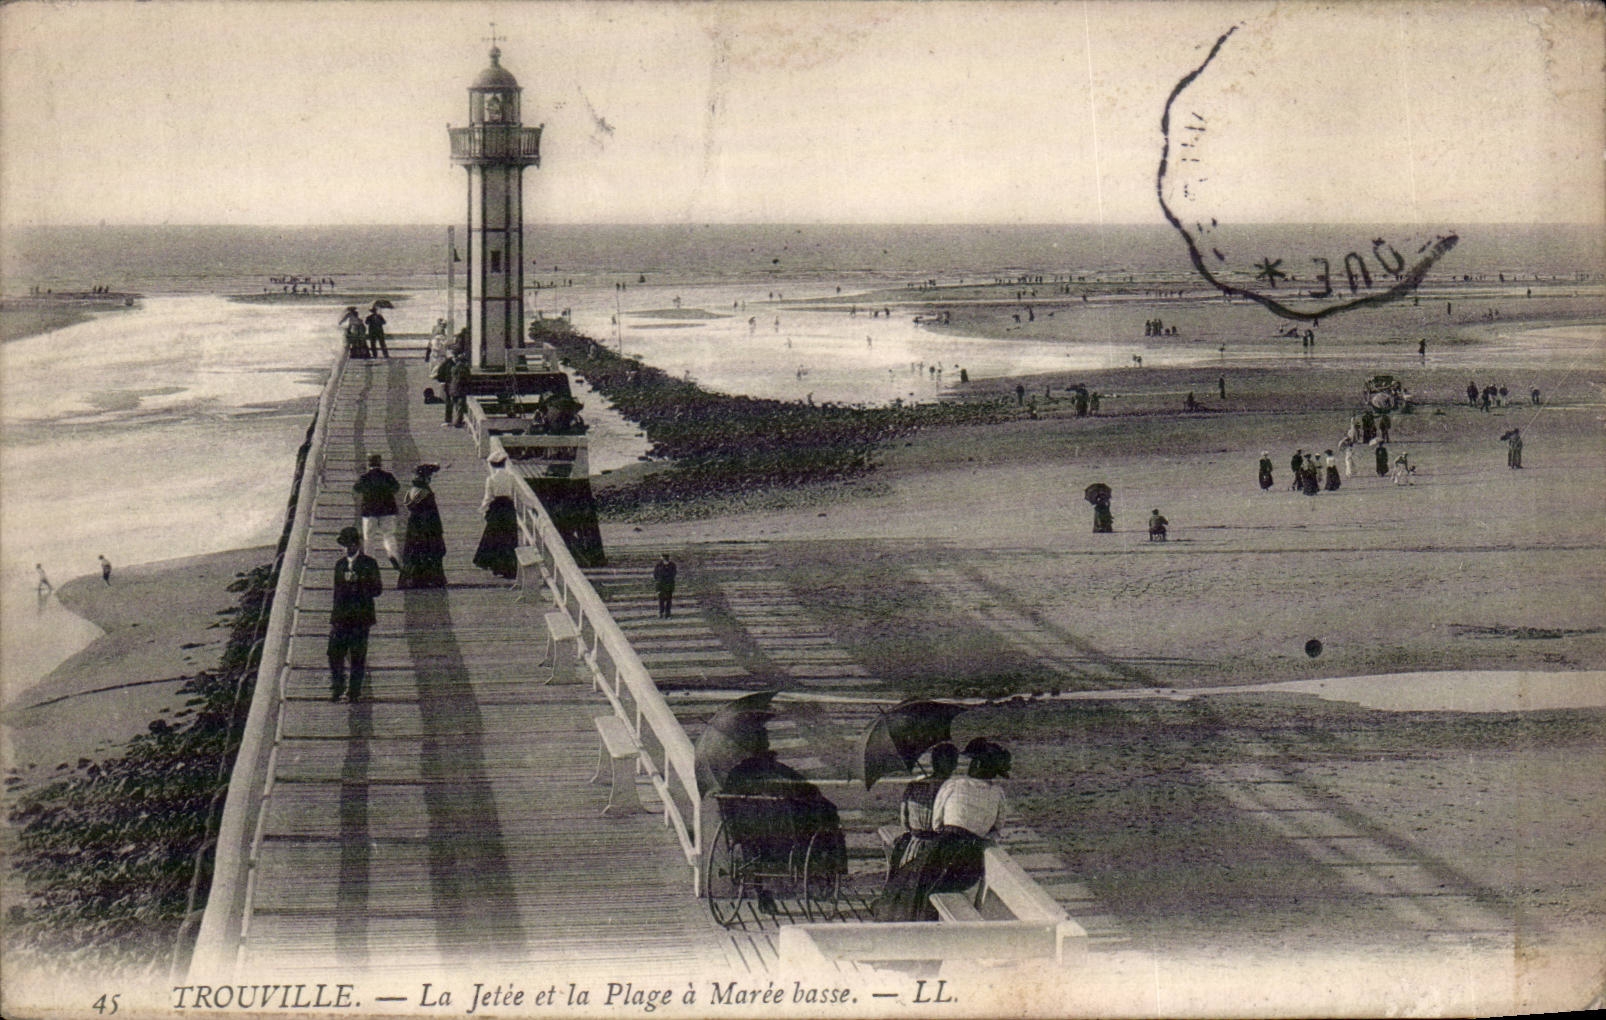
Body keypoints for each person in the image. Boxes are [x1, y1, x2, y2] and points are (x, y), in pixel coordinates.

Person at [873, 739, 1010, 922]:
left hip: (945, 845)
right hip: (971, 854)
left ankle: (905, 917)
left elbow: (938, 822)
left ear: (976, 765)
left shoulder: (954, 784)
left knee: (915, 882)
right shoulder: (998, 793)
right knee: (942, 885)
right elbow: (997, 828)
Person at [328, 526, 382, 703]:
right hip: (342, 617)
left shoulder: (369, 563)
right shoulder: (339, 565)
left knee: (358, 656)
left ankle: (353, 692)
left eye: (347, 545)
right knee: (334, 653)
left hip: (361, 618)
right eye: (342, 545)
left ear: (356, 545)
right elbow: (336, 593)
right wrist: (334, 618)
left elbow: (377, 590)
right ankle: (337, 687)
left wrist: (359, 580)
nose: (344, 549)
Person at [398, 464, 447, 588]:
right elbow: (432, 513)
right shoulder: (426, 493)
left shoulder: (411, 491)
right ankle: (431, 579)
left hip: (414, 525)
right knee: (430, 551)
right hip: (427, 526)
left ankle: (413, 578)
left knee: (413, 551)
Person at [473, 452, 520, 580]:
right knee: (509, 537)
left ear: (493, 465)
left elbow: (488, 498)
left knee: (496, 536)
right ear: (504, 463)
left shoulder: (491, 479)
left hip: (497, 508)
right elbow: (519, 494)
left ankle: (497, 567)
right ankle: (509, 568)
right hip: (508, 508)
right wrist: (532, 505)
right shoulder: (511, 477)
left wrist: (482, 509)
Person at [352, 453, 402, 570]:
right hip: (387, 510)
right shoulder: (388, 476)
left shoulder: (365, 477)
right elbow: (396, 488)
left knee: (369, 538)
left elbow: (356, 488)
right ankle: (392, 555)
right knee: (388, 535)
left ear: (369, 464)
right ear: (380, 463)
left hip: (369, 512)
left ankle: (370, 562)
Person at [653, 553, 678, 618]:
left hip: (669, 584)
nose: (665, 559)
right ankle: (661, 612)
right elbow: (655, 575)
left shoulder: (672, 565)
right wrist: (658, 584)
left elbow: (674, 574)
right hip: (661, 584)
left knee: (668, 599)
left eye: (666, 558)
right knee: (661, 599)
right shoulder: (658, 565)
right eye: (663, 557)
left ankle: (667, 613)